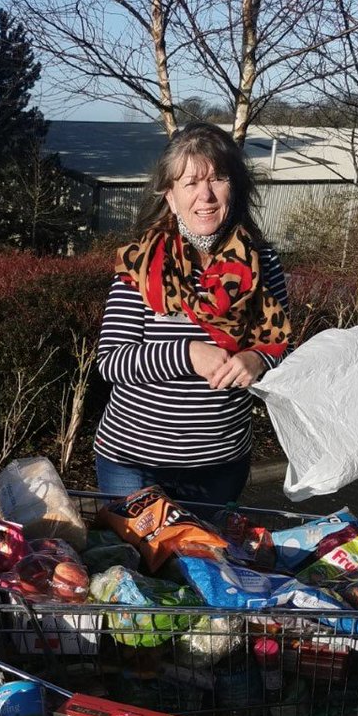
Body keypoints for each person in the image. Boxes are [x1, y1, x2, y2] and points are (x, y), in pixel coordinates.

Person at [94, 122, 292, 505]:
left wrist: (259, 358)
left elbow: (282, 344)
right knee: (137, 549)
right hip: (133, 464)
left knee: (210, 547)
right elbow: (112, 361)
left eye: (217, 179)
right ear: (170, 197)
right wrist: (187, 353)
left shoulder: (262, 262)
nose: (206, 196)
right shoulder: (141, 265)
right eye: (191, 183)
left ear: (234, 187)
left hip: (221, 465)